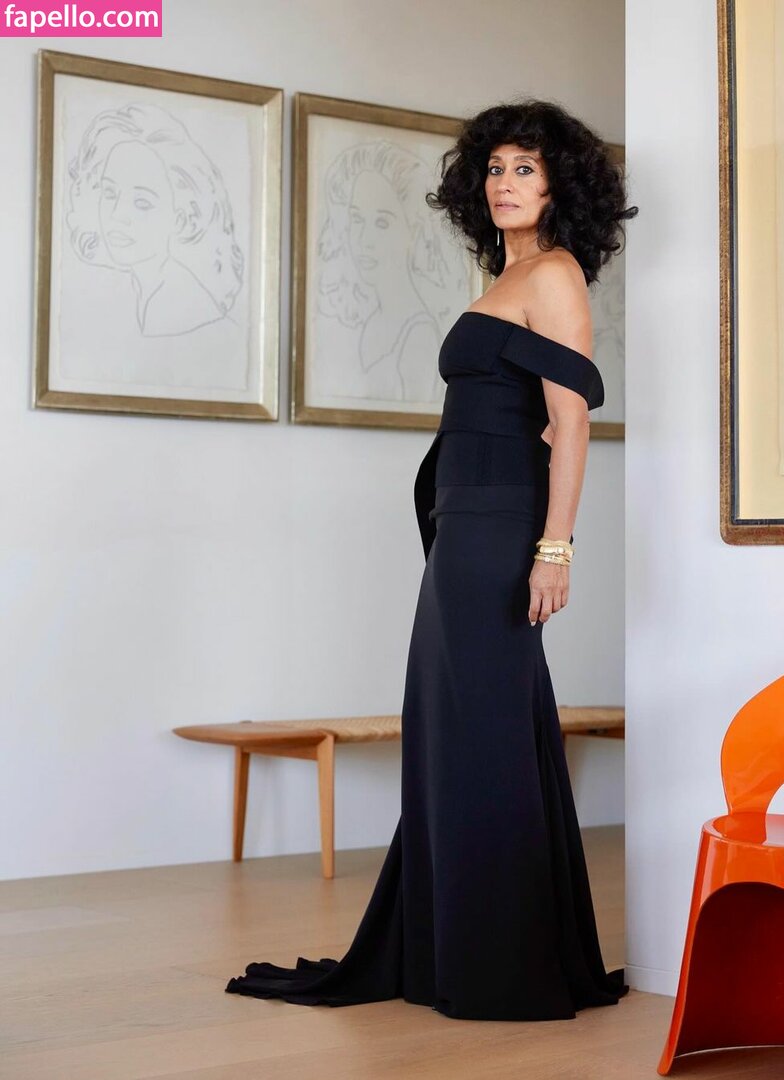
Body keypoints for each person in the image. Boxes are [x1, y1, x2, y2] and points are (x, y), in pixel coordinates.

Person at [225, 98, 638, 1021]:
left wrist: (555, 548)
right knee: (457, 726)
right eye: (494, 168)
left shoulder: (555, 274)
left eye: (525, 168)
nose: (504, 183)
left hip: (500, 526)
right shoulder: (508, 274)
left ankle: (499, 963)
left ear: (560, 184)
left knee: (482, 728)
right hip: (463, 523)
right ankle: (449, 948)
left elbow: (569, 423)